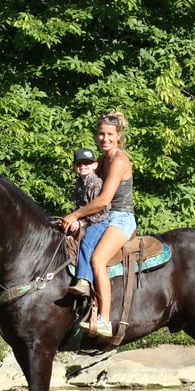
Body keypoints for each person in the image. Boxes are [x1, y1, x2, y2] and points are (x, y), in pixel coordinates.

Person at [59, 112, 136, 338]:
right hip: (103, 217)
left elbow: (103, 200)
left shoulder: (119, 161)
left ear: (118, 135)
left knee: (98, 260)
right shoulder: (102, 160)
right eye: (101, 134)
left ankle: (104, 320)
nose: (105, 139)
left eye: (110, 134)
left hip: (121, 217)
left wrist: (75, 215)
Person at [68, 147, 109, 297]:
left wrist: (81, 223)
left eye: (87, 163)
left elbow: (101, 210)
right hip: (86, 221)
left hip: (100, 222)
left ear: (94, 165)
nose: (83, 166)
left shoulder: (96, 183)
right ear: (75, 167)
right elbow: (80, 208)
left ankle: (84, 280)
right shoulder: (79, 185)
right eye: (79, 163)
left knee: (87, 243)